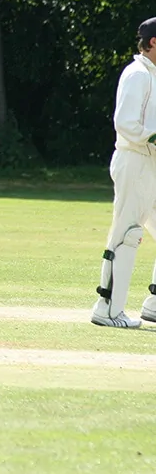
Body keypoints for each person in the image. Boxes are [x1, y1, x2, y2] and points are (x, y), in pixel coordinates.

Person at [93, 17, 156, 328]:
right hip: (134, 161)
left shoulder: (153, 75)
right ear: (153, 42)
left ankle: (154, 303)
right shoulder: (137, 74)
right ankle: (107, 307)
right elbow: (125, 123)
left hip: (151, 163)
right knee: (127, 234)